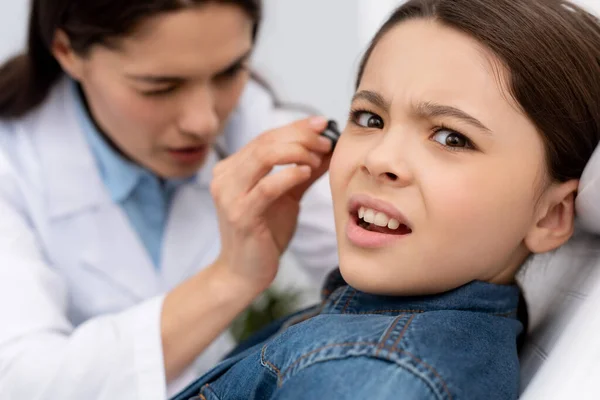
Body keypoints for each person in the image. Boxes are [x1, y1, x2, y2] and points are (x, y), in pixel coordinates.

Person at [171, 0, 600, 399]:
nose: (379, 159)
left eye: (451, 137)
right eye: (369, 118)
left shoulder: (375, 377)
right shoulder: (370, 333)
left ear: (550, 216)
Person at [0, 0, 339, 398]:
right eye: (160, 87)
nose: (205, 122)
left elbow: (384, 268)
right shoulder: (14, 164)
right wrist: (231, 277)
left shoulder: (252, 122)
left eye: (230, 72)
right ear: (67, 52)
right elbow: (25, 381)